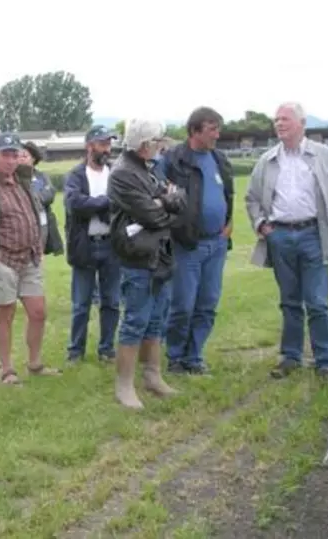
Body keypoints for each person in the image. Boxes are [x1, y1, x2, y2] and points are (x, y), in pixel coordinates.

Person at [245, 102, 328, 379]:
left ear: (301, 123)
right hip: (280, 236)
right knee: (290, 301)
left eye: (285, 119)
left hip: (314, 236)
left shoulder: (324, 156)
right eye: (276, 120)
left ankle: (324, 362)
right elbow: (252, 198)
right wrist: (262, 224)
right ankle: (291, 357)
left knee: (318, 302)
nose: (279, 124)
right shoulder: (267, 160)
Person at [0, 133, 61, 385]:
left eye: (14, 154)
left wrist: (39, 246)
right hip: (5, 261)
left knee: (38, 313)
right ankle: (7, 370)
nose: (10, 159)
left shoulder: (24, 181)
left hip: (29, 259)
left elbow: (36, 214)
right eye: (5, 154)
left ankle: (35, 363)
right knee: (6, 314)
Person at [108, 119, 184, 409]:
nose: (161, 146)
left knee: (156, 318)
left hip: (159, 253)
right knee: (135, 320)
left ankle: (153, 376)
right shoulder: (124, 174)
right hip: (137, 257)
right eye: (157, 141)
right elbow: (152, 215)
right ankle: (124, 386)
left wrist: (165, 203)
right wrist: (166, 203)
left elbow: (177, 201)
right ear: (144, 145)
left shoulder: (149, 168)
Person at [162, 107, 234, 375]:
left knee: (208, 303)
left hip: (216, 245)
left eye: (218, 128)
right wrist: (175, 228)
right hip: (187, 244)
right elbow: (158, 195)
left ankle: (194, 356)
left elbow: (228, 194)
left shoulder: (219, 159)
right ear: (194, 131)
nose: (218, 134)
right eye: (212, 128)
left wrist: (229, 223)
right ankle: (175, 357)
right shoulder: (173, 160)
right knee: (182, 304)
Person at [63, 125, 121, 364]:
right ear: (90, 146)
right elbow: (75, 203)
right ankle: (75, 351)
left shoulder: (115, 173)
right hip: (85, 245)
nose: (107, 148)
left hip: (112, 245)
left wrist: (96, 204)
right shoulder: (76, 175)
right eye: (102, 143)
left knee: (112, 302)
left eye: (109, 144)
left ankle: (106, 349)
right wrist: (105, 202)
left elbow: (122, 202)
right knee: (81, 304)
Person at [19, 141, 63, 256]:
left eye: (24, 156)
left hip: (42, 224)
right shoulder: (13, 178)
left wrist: (34, 197)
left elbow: (50, 194)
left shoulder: (41, 177)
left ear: (33, 159)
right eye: (18, 156)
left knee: (38, 260)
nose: (20, 159)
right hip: (22, 227)